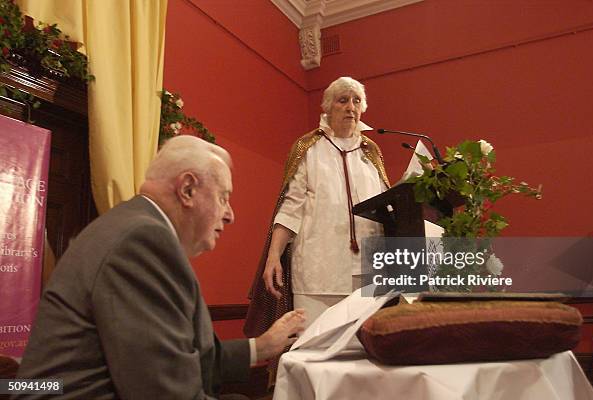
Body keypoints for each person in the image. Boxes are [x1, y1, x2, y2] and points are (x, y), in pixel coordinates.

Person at [16, 136, 305, 400]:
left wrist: (262, 347)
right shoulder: (143, 241)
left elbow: (183, 360)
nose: (230, 215)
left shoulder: (134, 226)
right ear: (188, 189)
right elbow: (165, 391)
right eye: (223, 197)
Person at [244, 77, 389, 338]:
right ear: (327, 108)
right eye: (342, 100)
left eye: (356, 101)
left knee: (365, 355)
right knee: (313, 350)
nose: (350, 107)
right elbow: (291, 208)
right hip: (317, 273)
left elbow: (387, 209)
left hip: (369, 273)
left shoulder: (371, 152)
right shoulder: (309, 148)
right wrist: (274, 256)